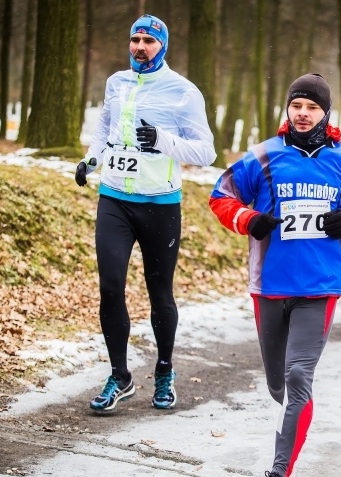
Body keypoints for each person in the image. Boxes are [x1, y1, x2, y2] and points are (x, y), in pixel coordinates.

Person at [208, 73, 341, 477]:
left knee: (299, 377)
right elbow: (221, 195)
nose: (303, 114)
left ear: (326, 113)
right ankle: (293, 419)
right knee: (277, 383)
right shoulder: (264, 156)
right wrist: (248, 219)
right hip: (270, 286)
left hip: (319, 288)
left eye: (312, 107)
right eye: (296, 106)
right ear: (288, 109)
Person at [75, 14, 216, 412]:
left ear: (163, 46)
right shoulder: (116, 82)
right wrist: (91, 160)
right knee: (110, 286)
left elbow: (206, 153)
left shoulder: (183, 92)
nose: (140, 47)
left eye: (148, 41)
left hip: (160, 207)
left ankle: (165, 371)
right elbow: (105, 127)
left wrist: (163, 141)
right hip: (115, 199)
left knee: (160, 294)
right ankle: (120, 375)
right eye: (135, 40)